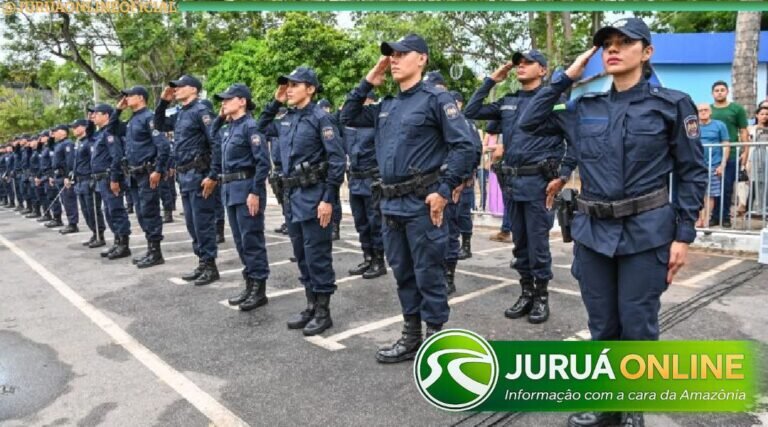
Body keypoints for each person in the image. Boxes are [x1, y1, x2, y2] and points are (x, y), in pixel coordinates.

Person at [518, 18, 707, 427]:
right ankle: (607, 406)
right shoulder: (584, 106)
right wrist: (566, 75)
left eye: (625, 42)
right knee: (602, 324)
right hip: (593, 233)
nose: (614, 49)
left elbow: (692, 172)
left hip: (647, 232)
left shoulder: (672, 104)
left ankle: (632, 409)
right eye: (607, 43)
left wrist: (684, 236)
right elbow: (529, 120)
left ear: (648, 51)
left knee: (637, 325)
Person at [341, 34, 476, 363]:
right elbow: (346, 116)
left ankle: (435, 339)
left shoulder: (436, 99)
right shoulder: (387, 105)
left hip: (422, 202)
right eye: (391, 55)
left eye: (403, 53)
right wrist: (369, 81)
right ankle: (411, 335)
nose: (394, 59)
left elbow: (466, 146)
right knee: (402, 271)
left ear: (423, 59)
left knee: (428, 272)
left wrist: (444, 190)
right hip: (390, 203)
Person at [465, 48, 576, 324]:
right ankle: (526, 293)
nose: (520, 66)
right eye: (518, 63)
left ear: (543, 70)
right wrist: (492, 79)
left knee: (538, 244)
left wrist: (562, 175)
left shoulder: (555, 100)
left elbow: (575, 141)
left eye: (529, 62)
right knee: (520, 244)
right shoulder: (508, 101)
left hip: (540, 184)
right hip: (513, 184)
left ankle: (541, 297)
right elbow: (471, 111)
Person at [258, 67, 345, 336]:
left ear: (311, 89)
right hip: (292, 197)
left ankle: (323, 311)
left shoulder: (321, 119)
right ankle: (310, 305)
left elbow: (337, 161)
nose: (290, 89)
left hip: (314, 196)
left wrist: (328, 199)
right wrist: (275, 100)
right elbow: (261, 125)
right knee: (302, 255)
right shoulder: (286, 118)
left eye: (296, 85)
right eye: (288, 85)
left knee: (317, 255)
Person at [155, 74, 222, 286]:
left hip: (199, 175)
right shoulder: (181, 112)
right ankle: (202, 262)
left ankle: (210, 266)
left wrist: (213, 175)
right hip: (184, 176)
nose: (176, 90)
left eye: (180, 87)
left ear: (193, 89)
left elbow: (215, 142)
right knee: (192, 224)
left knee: (203, 223)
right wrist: (163, 101)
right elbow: (159, 125)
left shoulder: (201, 110)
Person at [212, 84, 271, 312]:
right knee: (239, 241)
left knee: (252, 240)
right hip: (230, 190)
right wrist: (219, 118)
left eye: (228, 99)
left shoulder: (251, 127)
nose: (223, 103)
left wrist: (255, 192)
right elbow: (211, 137)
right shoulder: (228, 128)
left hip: (247, 189)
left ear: (242, 101)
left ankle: (259, 289)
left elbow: (262, 163)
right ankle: (249, 284)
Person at [118, 86, 171, 268]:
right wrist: (118, 110)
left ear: (140, 98)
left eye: (129, 96)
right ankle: (150, 249)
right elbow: (111, 129)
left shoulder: (149, 118)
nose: (126, 99)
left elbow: (163, 146)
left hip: (147, 173)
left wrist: (159, 170)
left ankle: (156, 252)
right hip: (133, 174)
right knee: (141, 213)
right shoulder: (132, 119)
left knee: (150, 212)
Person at [342, 90, 387, 279]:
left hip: (371, 179)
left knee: (374, 222)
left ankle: (378, 261)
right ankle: (367, 257)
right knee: (361, 223)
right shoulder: (352, 124)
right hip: (355, 179)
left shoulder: (375, 121)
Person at [89, 103, 132, 260]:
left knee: (116, 210)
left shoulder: (110, 133)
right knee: (109, 211)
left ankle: (124, 245)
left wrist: (114, 179)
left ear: (106, 115)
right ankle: (117, 241)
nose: (93, 117)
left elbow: (117, 157)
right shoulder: (101, 133)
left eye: (96, 114)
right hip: (102, 179)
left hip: (109, 178)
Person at [710, 81, 749, 228]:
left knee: (726, 188)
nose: (719, 92)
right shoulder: (709, 110)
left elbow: (743, 131)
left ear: (727, 92)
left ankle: (725, 216)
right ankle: (714, 216)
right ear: (712, 93)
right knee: (713, 188)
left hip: (732, 154)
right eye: (716, 90)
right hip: (712, 156)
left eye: (722, 90)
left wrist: (745, 151)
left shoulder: (736, 109)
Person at [450, 90, 483, 261]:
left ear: (460, 104)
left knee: (462, 213)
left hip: (464, 176)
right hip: (451, 176)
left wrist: (469, 174)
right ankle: (454, 245)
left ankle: (466, 245)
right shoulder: (449, 123)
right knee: (452, 214)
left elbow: (475, 149)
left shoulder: (466, 123)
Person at [71, 118, 107, 247]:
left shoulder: (90, 142)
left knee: (93, 209)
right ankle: (93, 233)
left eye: (75, 127)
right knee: (85, 210)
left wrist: (93, 177)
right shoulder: (79, 142)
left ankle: (99, 235)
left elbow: (94, 161)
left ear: (83, 127)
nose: (73, 130)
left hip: (88, 179)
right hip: (80, 180)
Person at [695, 104, 730, 228]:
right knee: (697, 193)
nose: (703, 112)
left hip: (714, 164)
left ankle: (707, 218)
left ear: (710, 112)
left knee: (710, 194)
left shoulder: (719, 125)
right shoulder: (692, 126)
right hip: (696, 165)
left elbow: (726, 144)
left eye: (705, 110)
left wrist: (722, 164)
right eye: (700, 110)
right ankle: (699, 218)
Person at [51, 124, 79, 234]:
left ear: (63, 132)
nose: (54, 133)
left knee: (69, 201)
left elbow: (70, 161)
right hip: (59, 176)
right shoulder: (59, 144)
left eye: (56, 131)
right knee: (65, 201)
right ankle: (70, 222)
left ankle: (73, 224)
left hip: (64, 176)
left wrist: (68, 176)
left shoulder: (68, 144)